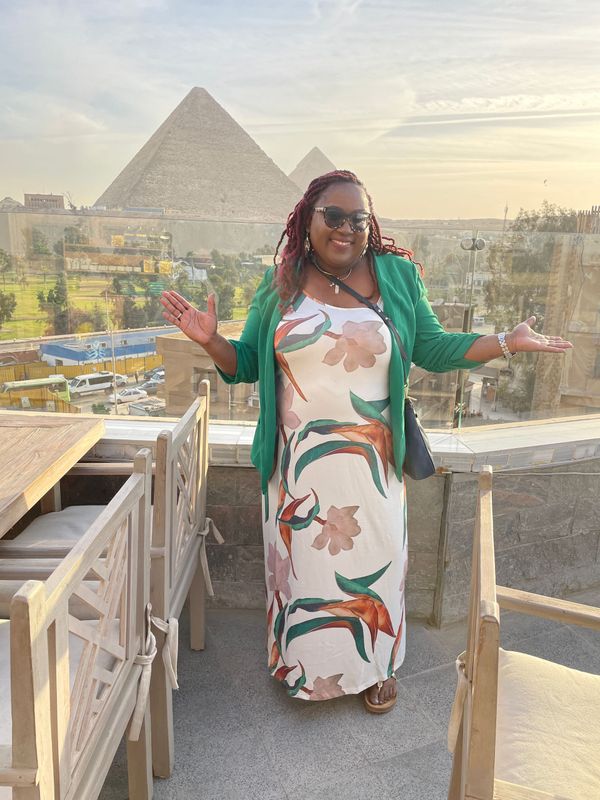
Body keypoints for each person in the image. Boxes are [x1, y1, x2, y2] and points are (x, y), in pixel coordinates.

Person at [160, 170, 573, 713]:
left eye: (358, 218)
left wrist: (505, 342)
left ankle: (375, 668)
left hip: (371, 464)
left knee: (375, 567)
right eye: (333, 215)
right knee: (303, 572)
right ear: (307, 220)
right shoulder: (282, 281)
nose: (346, 228)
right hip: (297, 468)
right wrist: (212, 340)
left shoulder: (397, 276)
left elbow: (432, 347)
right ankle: (302, 666)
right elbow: (246, 367)